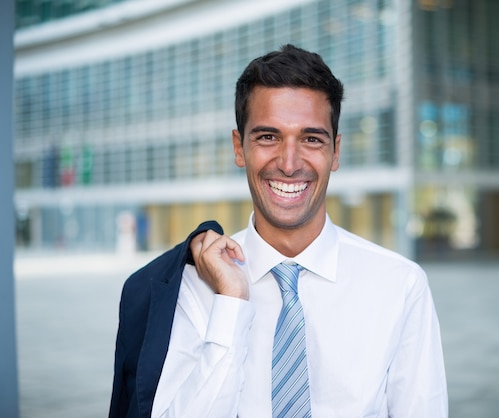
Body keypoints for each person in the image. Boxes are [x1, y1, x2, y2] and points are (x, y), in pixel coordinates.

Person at [109, 44, 447, 418]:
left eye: (311, 139)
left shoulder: (400, 286)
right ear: (239, 148)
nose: (288, 164)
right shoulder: (192, 285)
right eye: (268, 137)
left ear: (335, 152)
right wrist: (231, 303)